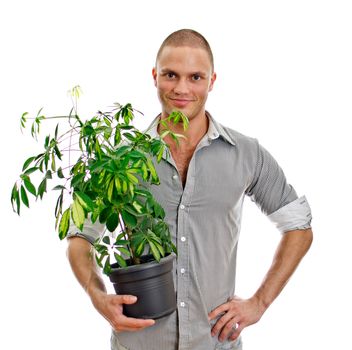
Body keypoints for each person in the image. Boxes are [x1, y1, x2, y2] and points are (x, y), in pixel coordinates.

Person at [66, 29, 313, 350]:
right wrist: (97, 295)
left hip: (214, 343)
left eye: (195, 77)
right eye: (171, 75)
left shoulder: (246, 153)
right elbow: (79, 237)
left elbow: (298, 227)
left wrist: (259, 303)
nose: (182, 88)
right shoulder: (118, 158)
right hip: (139, 343)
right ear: (155, 76)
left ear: (212, 81)